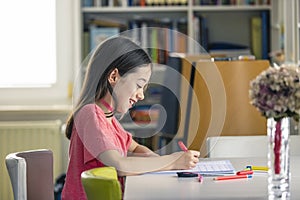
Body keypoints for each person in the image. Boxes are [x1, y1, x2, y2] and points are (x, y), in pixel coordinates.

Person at [61, 36, 200, 200]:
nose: (141, 95)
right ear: (114, 77)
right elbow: (118, 164)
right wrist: (172, 161)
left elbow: (135, 149)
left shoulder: (109, 119)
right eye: (139, 85)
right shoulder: (91, 114)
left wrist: (165, 163)